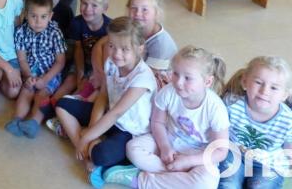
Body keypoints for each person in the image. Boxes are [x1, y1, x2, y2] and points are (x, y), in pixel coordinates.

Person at [98, 46, 230, 189]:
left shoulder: (216, 108)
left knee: (207, 184)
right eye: (175, 74)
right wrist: (165, 147)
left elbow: (220, 151)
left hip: (198, 153)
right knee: (133, 148)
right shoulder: (168, 92)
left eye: (188, 78)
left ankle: (140, 180)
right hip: (168, 139)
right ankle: (177, 178)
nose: (178, 82)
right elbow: (157, 122)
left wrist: (188, 161)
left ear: (207, 82)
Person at [54, 17, 157, 182]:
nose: (116, 54)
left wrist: (87, 136)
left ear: (139, 49)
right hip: (109, 117)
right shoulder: (111, 62)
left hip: (129, 130)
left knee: (100, 154)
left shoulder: (143, 78)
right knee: (62, 105)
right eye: (111, 46)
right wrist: (91, 134)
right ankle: (86, 150)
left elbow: (116, 113)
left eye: (124, 49)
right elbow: (103, 95)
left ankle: (91, 150)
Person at [218, 56, 292, 188]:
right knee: (228, 184)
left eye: (274, 88)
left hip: (269, 165)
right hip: (234, 156)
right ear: (244, 82)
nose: (264, 91)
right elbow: (215, 129)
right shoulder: (231, 104)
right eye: (258, 82)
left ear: (284, 95)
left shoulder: (289, 121)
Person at [5, 0, 67, 138]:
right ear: (26, 14)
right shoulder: (21, 32)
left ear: (50, 16)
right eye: (33, 16)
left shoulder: (55, 33)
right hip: (30, 70)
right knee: (26, 91)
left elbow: (60, 62)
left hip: (50, 73)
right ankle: (17, 119)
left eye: (43, 17)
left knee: (42, 94)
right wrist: (29, 76)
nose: (38, 21)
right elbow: (22, 59)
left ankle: (34, 122)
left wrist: (44, 80)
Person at [93, 0, 178, 89]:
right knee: (111, 46)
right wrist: (99, 71)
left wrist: (107, 80)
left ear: (156, 13)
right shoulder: (131, 28)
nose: (137, 13)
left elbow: (145, 79)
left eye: (145, 9)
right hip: (129, 71)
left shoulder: (161, 45)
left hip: (156, 83)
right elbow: (100, 44)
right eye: (133, 8)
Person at [57, 0, 112, 101]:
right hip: (81, 59)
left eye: (94, 5)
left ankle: (71, 103)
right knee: (71, 80)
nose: (88, 9)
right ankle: (54, 102)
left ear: (105, 8)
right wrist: (80, 73)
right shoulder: (76, 23)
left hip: (98, 63)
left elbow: (108, 56)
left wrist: (93, 74)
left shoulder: (110, 27)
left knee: (88, 84)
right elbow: (78, 49)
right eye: (84, 3)